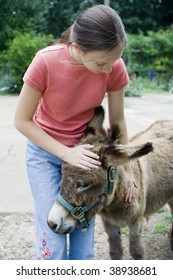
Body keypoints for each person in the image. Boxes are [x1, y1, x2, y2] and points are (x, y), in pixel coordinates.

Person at [14, 4, 135, 260]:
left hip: (87, 159)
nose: (109, 69)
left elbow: (118, 120)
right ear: (79, 49)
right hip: (45, 152)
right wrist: (66, 153)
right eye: (102, 63)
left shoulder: (114, 66)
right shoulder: (45, 61)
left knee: (83, 245)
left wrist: (127, 170)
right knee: (54, 239)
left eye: (114, 61)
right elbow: (22, 121)